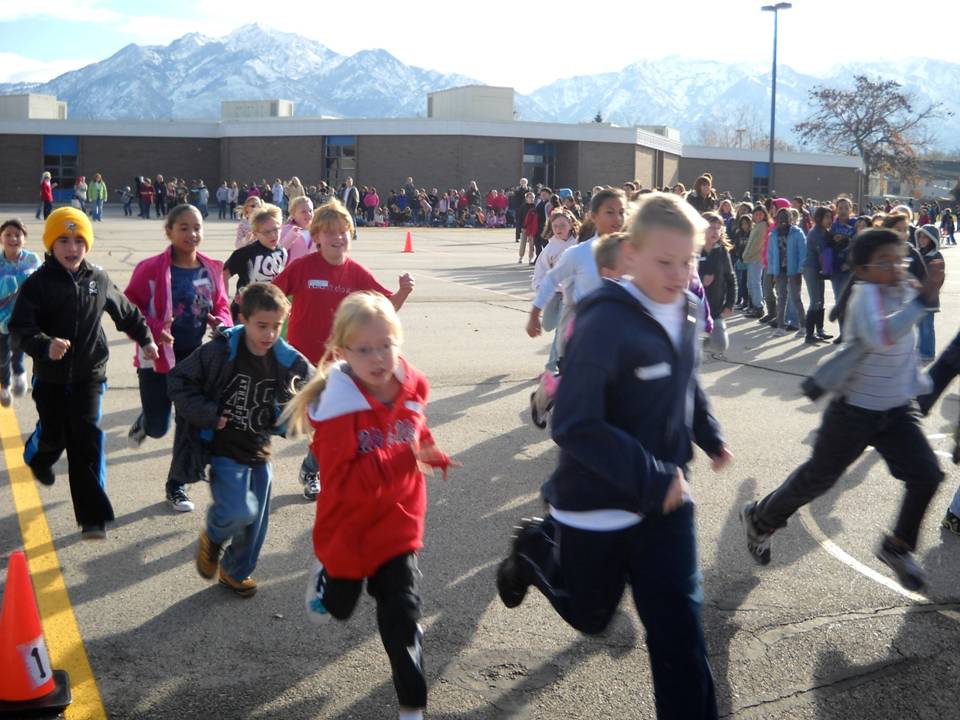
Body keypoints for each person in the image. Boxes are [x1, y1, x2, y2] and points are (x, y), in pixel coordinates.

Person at [497, 192, 730, 720]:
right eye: (664, 262)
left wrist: (710, 434)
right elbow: (576, 424)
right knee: (591, 615)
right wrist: (651, 476)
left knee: (680, 635)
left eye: (688, 260)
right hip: (597, 501)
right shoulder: (605, 321)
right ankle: (535, 549)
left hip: (667, 506)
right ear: (630, 255)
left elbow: (684, 381)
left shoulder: (689, 309)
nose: (679, 274)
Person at [742, 228, 945, 591]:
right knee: (818, 478)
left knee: (927, 473)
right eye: (884, 262)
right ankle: (762, 517)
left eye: (897, 259)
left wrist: (924, 289)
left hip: (896, 409)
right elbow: (880, 336)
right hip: (855, 411)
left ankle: (898, 547)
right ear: (862, 270)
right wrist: (920, 300)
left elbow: (915, 312)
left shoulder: (902, 288)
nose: (895, 267)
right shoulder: (864, 298)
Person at [285, 292, 455, 720]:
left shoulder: (413, 383)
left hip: (398, 522)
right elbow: (341, 483)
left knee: (402, 610)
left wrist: (429, 448)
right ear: (342, 353)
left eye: (386, 345)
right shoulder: (338, 412)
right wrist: (399, 457)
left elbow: (416, 423)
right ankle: (326, 576)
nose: (378, 358)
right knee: (340, 609)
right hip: (348, 527)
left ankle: (412, 704)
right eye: (364, 350)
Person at [11, 208, 159, 539]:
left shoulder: (99, 279)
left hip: (90, 374)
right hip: (50, 377)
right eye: (63, 240)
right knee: (54, 434)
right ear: (50, 244)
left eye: (79, 240)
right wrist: (44, 344)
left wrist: (146, 340)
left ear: (87, 245)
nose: (71, 247)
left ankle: (93, 518)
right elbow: (20, 329)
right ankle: (38, 456)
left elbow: (128, 313)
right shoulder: (37, 285)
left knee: (87, 436)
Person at [168, 283, 311, 597]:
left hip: (258, 447)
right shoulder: (220, 351)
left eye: (277, 327)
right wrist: (209, 413)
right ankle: (214, 537)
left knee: (257, 518)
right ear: (243, 319)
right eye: (261, 326)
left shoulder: (283, 356)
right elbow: (178, 380)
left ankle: (234, 572)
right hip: (223, 448)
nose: (270, 334)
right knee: (240, 511)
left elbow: (315, 383)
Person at [272, 199, 414, 500]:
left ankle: (313, 468)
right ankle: (301, 465)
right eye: (330, 232)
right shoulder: (302, 267)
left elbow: (386, 309)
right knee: (312, 423)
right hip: (300, 364)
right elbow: (272, 295)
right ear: (317, 236)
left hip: (340, 366)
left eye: (344, 231)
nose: (338, 238)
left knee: (332, 424)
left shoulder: (357, 273)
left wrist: (402, 292)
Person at [124, 204, 233, 512]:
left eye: (196, 227)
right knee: (160, 427)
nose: (191, 234)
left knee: (189, 423)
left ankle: (177, 484)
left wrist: (220, 322)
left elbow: (222, 305)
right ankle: (148, 421)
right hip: (156, 357)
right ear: (169, 231)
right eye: (183, 227)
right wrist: (155, 330)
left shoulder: (211, 268)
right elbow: (128, 309)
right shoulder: (150, 268)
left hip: (194, 359)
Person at [526, 189, 627, 363]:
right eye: (609, 212)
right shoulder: (579, 253)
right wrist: (534, 314)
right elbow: (551, 279)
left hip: (623, 343)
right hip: (585, 341)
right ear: (594, 216)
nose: (617, 218)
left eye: (621, 212)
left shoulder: (637, 253)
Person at [223, 205, 289, 323]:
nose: (273, 235)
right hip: (244, 313)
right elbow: (223, 275)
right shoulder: (245, 253)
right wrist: (224, 302)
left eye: (276, 229)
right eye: (267, 232)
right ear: (256, 233)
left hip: (270, 311)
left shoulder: (282, 252)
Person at [533, 210, 580, 372]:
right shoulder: (550, 249)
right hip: (554, 294)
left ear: (572, 225)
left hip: (571, 296)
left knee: (561, 329)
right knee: (548, 325)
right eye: (555, 226)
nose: (559, 228)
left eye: (562, 225)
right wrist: (540, 287)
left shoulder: (578, 244)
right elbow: (540, 271)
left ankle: (552, 366)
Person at [0, 219, 40, 406]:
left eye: (17, 235)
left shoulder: (32, 259)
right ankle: (4, 385)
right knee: (2, 355)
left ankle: (19, 373)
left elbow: (42, 285)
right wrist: (9, 282)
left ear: (24, 239)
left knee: (18, 349)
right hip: (1, 318)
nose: (13, 238)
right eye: (8, 234)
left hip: (23, 317)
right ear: (1, 238)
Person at [699, 212, 737, 357]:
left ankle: (701, 347)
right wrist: (701, 279)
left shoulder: (722, 252)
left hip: (715, 309)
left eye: (718, 228)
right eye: (711, 227)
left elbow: (731, 279)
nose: (715, 231)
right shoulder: (692, 250)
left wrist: (729, 304)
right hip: (693, 309)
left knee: (720, 345)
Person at [767, 208, 806, 337]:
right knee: (781, 298)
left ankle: (803, 326)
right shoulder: (773, 234)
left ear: (790, 218)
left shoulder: (797, 233)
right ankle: (780, 327)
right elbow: (771, 255)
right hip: (780, 271)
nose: (783, 220)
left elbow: (803, 254)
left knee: (796, 298)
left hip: (794, 271)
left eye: (786, 217)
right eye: (780, 217)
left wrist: (800, 271)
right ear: (776, 219)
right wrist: (772, 272)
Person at [802, 206, 835, 344]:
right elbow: (822, 254)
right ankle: (809, 334)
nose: (829, 220)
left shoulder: (824, 232)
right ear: (819, 218)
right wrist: (827, 271)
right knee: (815, 300)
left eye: (830, 217)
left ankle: (820, 330)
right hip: (811, 268)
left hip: (819, 268)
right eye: (826, 217)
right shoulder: (815, 233)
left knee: (820, 299)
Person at [915, 224, 943, 363]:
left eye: (925, 237)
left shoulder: (936, 255)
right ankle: (920, 348)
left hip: (929, 299)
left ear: (932, 239)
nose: (922, 239)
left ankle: (928, 353)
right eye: (920, 236)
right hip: (917, 297)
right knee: (919, 325)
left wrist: (926, 288)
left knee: (926, 327)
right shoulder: (918, 253)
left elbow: (938, 279)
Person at [742, 206, 769, 321]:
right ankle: (755, 306)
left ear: (764, 215)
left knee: (755, 283)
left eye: (760, 214)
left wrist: (746, 255)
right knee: (751, 283)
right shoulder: (757, 226)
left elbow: (757, 244)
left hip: (756, 258)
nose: (758, 216)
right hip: (752, 258)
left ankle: (758, 307)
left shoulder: (762, 226)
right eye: (756, 214)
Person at [279, 195, 315, 263]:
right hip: (292, 271)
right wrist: (290, 237)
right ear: (293, 214)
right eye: (303, 211)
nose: (308, 214)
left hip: (313, 272)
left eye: (310, 211)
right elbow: (278, 253)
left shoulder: (318, 231)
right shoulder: (285, 230)